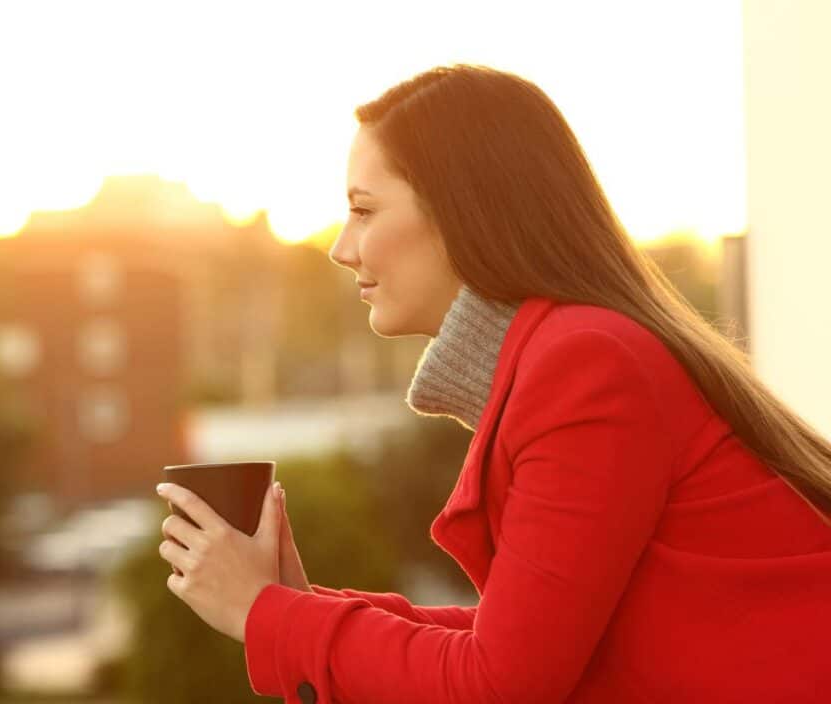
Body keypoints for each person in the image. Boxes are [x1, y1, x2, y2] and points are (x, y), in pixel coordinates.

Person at [155, 63, 831, 703]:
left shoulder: (587, 367)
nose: (341, 247)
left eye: (363, 210)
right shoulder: (573, 356)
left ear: (461, 212)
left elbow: (496, 685)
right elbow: (516, 641)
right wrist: (295, 609)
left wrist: (268, 614)